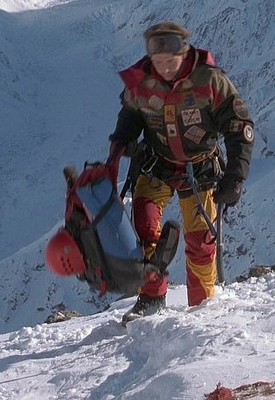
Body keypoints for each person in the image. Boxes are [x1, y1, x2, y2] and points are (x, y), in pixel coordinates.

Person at [108, 21, 254, 323]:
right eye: (157, 62)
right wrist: (122, 145)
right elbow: (130, 118)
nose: (164, 68)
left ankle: (201, 308)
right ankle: (151, 298)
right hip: (156, 165)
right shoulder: (141, 82)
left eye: (170, 61)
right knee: (144, 230)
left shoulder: (210, 81)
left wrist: (235, 178)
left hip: (201, 169)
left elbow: (239, 126)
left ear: (183, 53)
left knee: (201, 242)